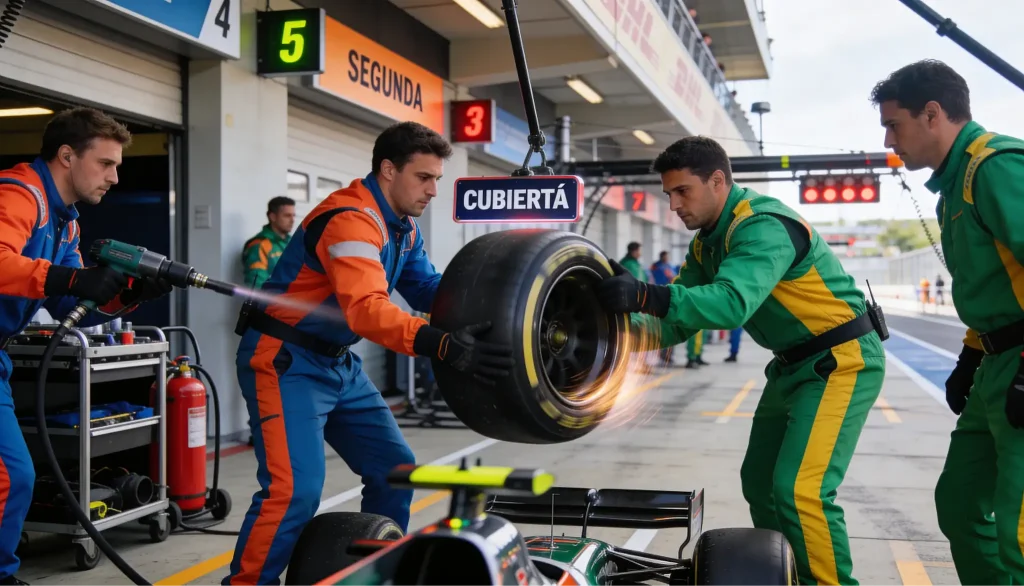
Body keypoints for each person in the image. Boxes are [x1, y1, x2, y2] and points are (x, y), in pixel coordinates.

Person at [225, 121, 515, 586]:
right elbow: (366, 311)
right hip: (286, 361)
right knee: (294, 492)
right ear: (387, 169)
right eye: (424, 177)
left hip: (338, 363)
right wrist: (439, 342)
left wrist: (502, 314)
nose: (434, 190)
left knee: (396, 472)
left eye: (437, 179)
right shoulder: (351, 219)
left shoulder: (402, 227)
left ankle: (372, 575)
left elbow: (429, 289)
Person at [597, 135, 886, 586]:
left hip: (840, 359)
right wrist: (609, 337)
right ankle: (783, 576)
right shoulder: (706, 245)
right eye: (668, 194)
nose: (673, 205)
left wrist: (645, 294)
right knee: (760, 482)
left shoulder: (762, 225)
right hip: (792, 365)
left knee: (801, 489)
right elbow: (675, 323)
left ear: (718, 181)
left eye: (681, 192)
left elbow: (731, 304)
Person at [0, 107, 171, 586]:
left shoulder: (67, 223)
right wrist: (72, 277)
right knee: (12, 477)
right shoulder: (19, 194)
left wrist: (129, 294)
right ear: (67, 155)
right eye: (106, 164)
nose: (115, 178)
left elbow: (70, 291)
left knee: (13, 476)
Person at [870, 59, 1024, 586]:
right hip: (996, 366)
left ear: (932, 114)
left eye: (894, 124)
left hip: (1022, 364)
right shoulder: (954, 188)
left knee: (1021, 533)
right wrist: (972, 355)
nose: (890, 139)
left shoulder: (996, 167)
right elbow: (993, 289)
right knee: (960, 503)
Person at [242, 196, 296, 289]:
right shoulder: (259, 245)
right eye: (287, 216)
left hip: (295, 299)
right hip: (274, 301)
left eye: (293, 215)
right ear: (273, 217)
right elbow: (257, 285)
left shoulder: (292, 241)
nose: (292, 220)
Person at [651, 251, 678, 364]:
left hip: (666, 299)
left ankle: (667, 355)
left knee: (668, 329)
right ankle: (664, 355)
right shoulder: (659, 267)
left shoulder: (666, 266)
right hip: (662, 299)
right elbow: (670, 278)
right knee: (664, 329)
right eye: (666, 256)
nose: (667, 258)